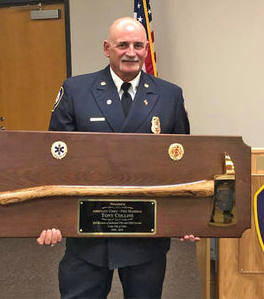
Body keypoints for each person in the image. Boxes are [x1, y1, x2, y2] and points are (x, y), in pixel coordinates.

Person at [37, 17, 200, 298]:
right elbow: (55, 162)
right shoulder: (76, 91)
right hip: (87, 236)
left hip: (145, 238)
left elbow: (180, 163)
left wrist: (184, 218)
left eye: (138, 45)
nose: (131, 52)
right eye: (122, 45)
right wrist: (51, 217)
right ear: (106, 48)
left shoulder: (170, 95)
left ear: (146, 50)